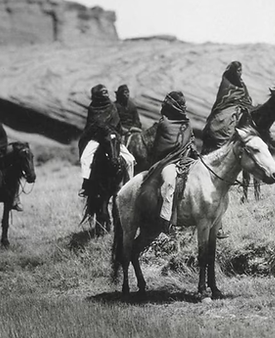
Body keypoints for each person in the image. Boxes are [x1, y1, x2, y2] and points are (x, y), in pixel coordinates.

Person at [142, 91, 196, 233]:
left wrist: (196, 155)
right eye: (182, 104)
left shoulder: (187, 123)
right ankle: (166, 222)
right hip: (169, 163)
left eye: (185, 104)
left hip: (187, 160)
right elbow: (159, 149)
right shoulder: (164, 124)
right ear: (175, 106)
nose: (185, 107)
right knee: (169, 182)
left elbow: (191, 142)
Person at [79, 84, 136, 194]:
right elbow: (92, 125)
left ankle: (129, 185)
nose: (106, 94)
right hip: (97, 138)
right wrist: (102, 130)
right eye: (103, 92)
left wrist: (118, 132)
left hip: (112, 137)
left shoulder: (111, 106)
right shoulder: (92, 108)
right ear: (97, 95)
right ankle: (86, 184)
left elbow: (117, 123)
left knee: (130, 160)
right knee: (85, 158)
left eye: (106, 92)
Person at [201, 61, 253, 154]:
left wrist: (246, 102)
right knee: (227, 118)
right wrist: (236, 101)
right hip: (228, 105)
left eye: (241, 70)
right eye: (238, 70)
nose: (240, 73)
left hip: (241, 106)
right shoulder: (227, 81)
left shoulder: (241, 83)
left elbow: (246, 95)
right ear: (233, 71)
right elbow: (225, 96)